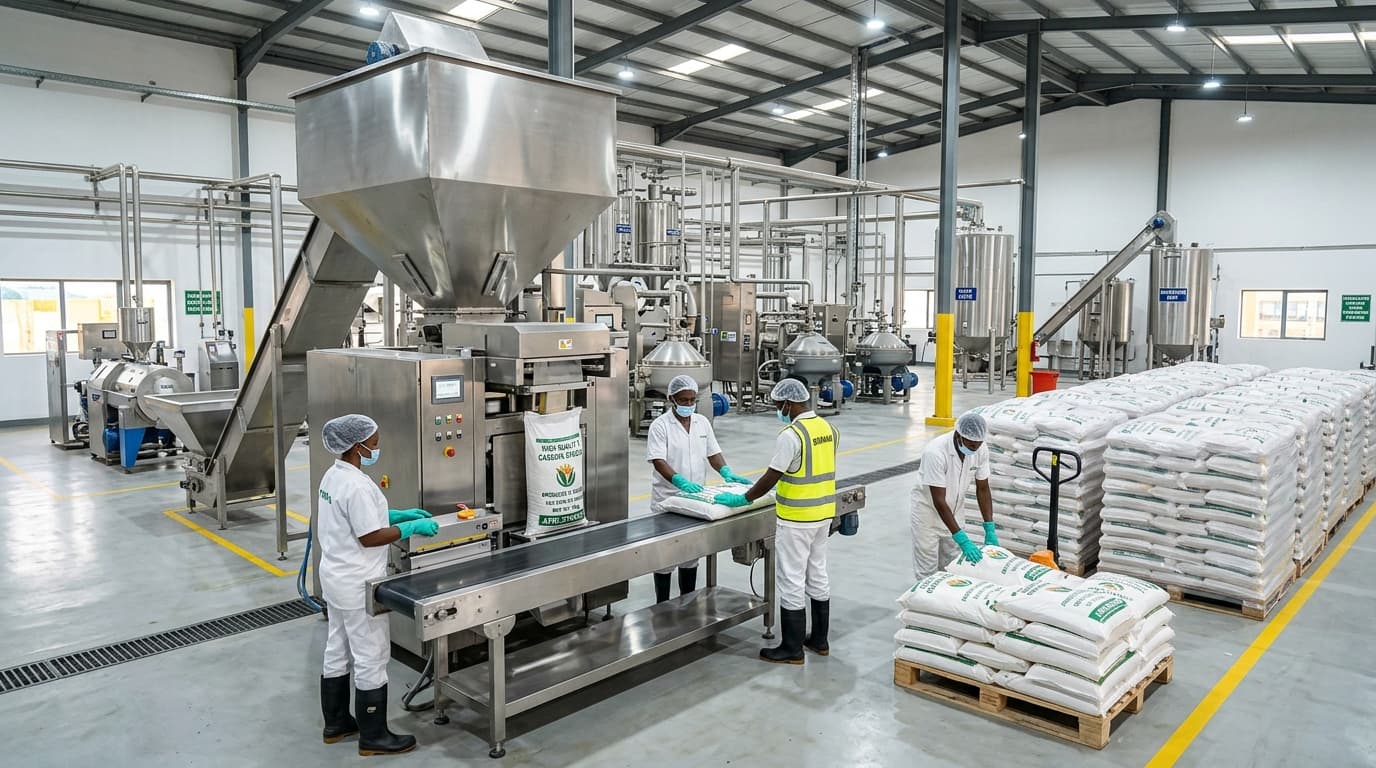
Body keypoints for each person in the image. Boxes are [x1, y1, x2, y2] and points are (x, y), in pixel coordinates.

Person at [316, 414, 439, 756]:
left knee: (337, 648)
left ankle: (336, 724)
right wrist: (410, 529)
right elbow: (369, 536)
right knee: (372, 655)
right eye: (374, 442)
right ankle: (374, 736)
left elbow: (355, 519)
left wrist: (396, 515)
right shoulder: (355, 485)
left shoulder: (334, 475)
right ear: (357, 447)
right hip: (358, 582)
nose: (377, 447)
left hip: (335, 578)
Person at [716, 377, 838, 664]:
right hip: (823, 515)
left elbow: (773, 476)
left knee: (792, 580)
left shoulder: (791, 435)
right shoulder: (828, 428)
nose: (777, 410)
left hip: (796, 518)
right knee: (817, 574)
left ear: (789, 402)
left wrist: (743, 498)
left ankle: (792, 648)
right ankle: (819, 640)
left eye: (777, 404)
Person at [646, 374, 753, 602]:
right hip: (668, 500)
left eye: (692, 400)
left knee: (690, 554)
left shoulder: (701, 422)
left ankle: (687, 601)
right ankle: (661, 604)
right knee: (665, 557)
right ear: (671, 398)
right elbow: (658, 460)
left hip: (696, 500)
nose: (688, 405)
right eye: (683, 400)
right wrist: (679, 481)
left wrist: (726, 472)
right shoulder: (660, 426)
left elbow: (713, 453)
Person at [910, 411, 997, 579]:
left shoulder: (980, 449)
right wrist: (961, 538)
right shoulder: (935, 452)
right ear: (958, 435)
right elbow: (939, 501)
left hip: (955, 512)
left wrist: (989, 526)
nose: (974, 449)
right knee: (927, 571)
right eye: (971, 445)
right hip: (928, 515)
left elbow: (983, 488)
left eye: (978, 444)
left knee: (952, 568)